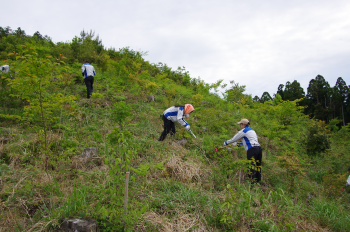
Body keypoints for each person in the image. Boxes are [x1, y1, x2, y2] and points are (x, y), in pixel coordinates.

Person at [223, 118, 262, 183]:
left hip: (252, 150)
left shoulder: (244, 131)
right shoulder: (252, 131)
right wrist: (237, 144)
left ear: (243, 124)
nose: (240, 126)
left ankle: (252, 183)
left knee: (251, 165)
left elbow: (234, 139)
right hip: (258, 148)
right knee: (258, 165)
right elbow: (245, 143)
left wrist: (225, 143)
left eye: (240, 124)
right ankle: (258, 181)